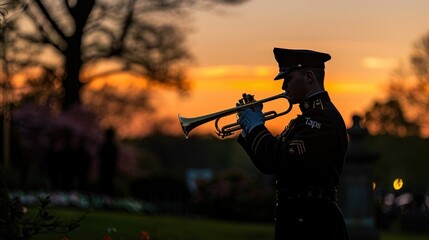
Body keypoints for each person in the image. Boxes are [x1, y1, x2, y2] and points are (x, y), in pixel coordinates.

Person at [236, 48, 349, 239]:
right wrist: (248, 131)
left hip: (313, 222)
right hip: (300, 218)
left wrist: (256, 127)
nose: (283, 87)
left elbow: (278, 160)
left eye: (288, 79)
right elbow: (268, 164)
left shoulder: (322, 119)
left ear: (309, 76)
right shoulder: (304, 120)